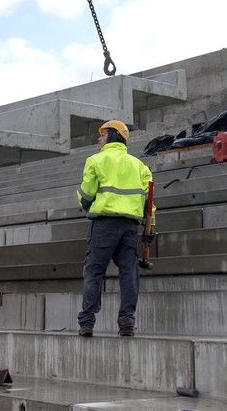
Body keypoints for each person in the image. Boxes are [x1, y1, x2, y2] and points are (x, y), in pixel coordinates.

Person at [76, 120, 154, 337]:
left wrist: (83, 204)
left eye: (102, 135)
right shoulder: (139, 165)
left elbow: (87, 194)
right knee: (129, 272)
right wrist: (151, 224)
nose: (99, 139)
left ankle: (87, 322)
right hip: (129, 225)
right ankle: (127, 323)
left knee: (94, 271)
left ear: (111, 136)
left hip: (104, 224)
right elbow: (150, 201)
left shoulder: (96, 160)